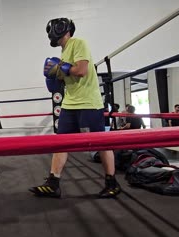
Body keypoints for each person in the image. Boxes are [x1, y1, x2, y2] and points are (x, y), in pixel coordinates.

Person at [29, 17, 121, 198]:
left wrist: (61, 67)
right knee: (61, 142)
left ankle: (112, 182)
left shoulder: (78, 43)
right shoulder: (64, 52)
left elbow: (81, 70)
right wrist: (55, 76)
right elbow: (64, 80)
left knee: (101, 143)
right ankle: (53, 183)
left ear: (62, 28)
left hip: (88, 103)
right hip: (69, 103)